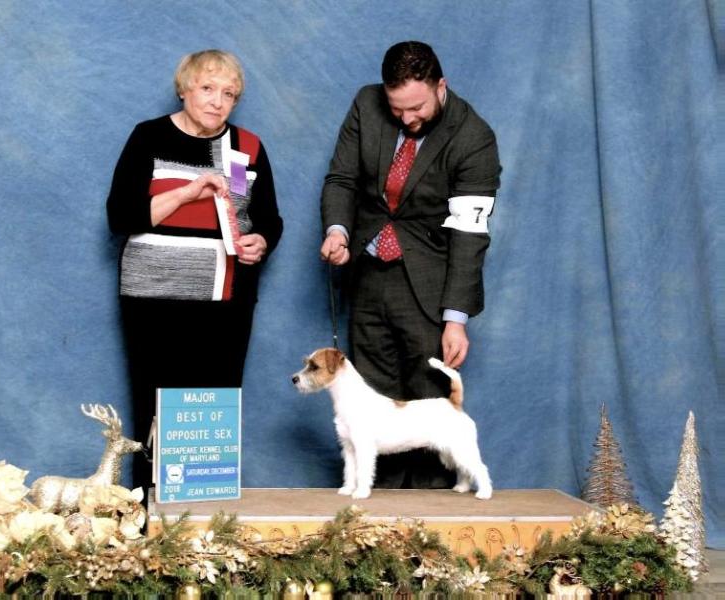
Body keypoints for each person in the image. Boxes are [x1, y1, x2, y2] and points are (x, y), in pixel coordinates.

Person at [320, 41, 501, 489]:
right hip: (366, 275)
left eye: (416, 106)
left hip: (428, 283)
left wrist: (455, 318)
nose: (406, 118)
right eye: (395, 107)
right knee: (370, 407)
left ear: (442, 86)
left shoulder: (474, 138)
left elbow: (469, 233)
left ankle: (429, 524)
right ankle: (376, 516)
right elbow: (342, 177)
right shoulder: (366, 104)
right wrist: (338, 230)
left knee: (428, 406)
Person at [107, 49, 283, 496]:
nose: (217, 101)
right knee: (156, 406)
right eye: (207, 89)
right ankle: (150, 517)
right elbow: (122, 216)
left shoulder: (248, 148)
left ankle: (203, 525)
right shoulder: (148, 137)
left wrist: (260, 241)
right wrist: (187, 193)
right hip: (153, 298)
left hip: (225, 300)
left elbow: (264, 219)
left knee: (213, 411)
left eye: (229, 94)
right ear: (184, 89)